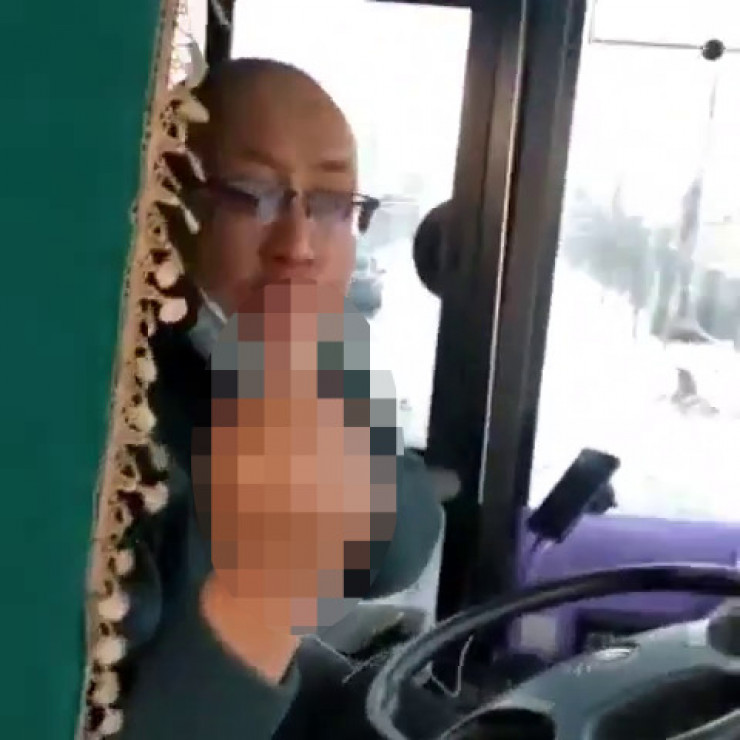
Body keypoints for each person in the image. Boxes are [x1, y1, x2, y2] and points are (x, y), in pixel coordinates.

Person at [113, 58, 456, 739]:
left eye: (330, 205)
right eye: (250, 195)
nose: (297, 245)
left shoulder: (295, 368)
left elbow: (400, 540)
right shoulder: (113, 422)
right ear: (167, 205)